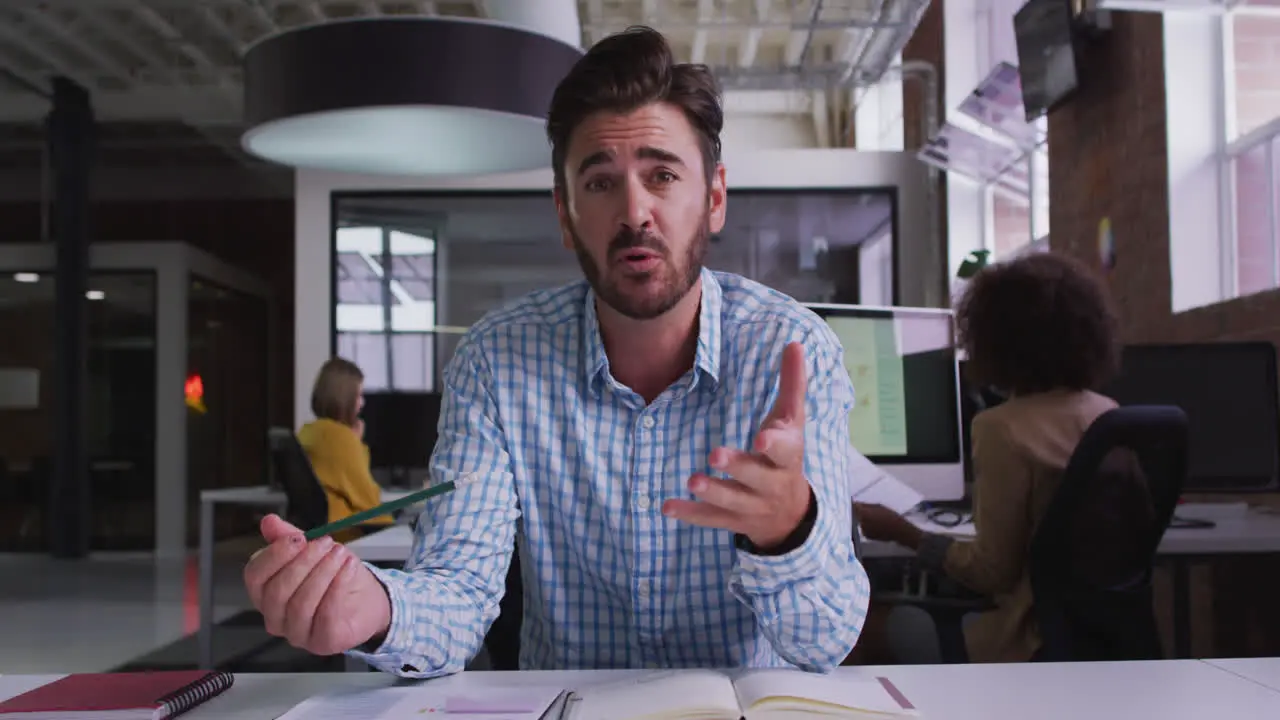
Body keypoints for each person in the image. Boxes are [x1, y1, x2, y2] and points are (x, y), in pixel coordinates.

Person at [243, 26, 870, 678]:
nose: (635, 212)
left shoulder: (793, 354)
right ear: (566, 217)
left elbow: (827, 643)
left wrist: (788, 530)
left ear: (713, 198)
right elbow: (458, 587)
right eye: (601, 183)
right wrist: (375, 609)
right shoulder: (498, 361)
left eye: (662, 175)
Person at [855, 252, 1122, 664]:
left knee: (859, 624)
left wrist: (901, 531)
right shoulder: (1107, 413)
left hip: (1025, 641)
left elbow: (990, 573)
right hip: (1102, 640)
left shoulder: (1003, 428)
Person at [295, 357, 392, 543]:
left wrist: (355, 441)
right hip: (350, 534)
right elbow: (368, 499)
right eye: (359, 395)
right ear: (345, 397)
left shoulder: (309, 431)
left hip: (326, 531)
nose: (362, 403)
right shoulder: (339, 438)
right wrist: (356, 443)